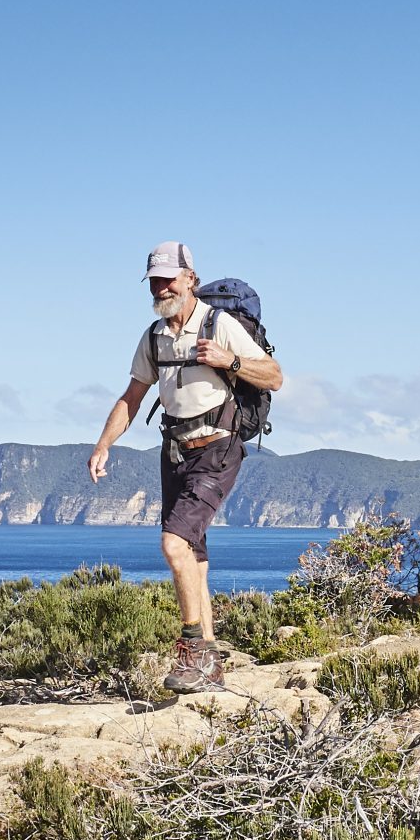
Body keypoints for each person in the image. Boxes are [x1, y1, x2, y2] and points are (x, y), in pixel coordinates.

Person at [89, 242, 284, 692]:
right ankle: (211, 664)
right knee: (192, 556)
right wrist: (103, 444)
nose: (160, 289)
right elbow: (132, 397)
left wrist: (229, 360)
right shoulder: (154, 336)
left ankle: (193, 649)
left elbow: (274, 376)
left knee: (174, 543)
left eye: (168, 280)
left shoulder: (220, 325)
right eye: (154, 282)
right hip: (174, 451)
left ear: (190, 279)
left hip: (218, 449)